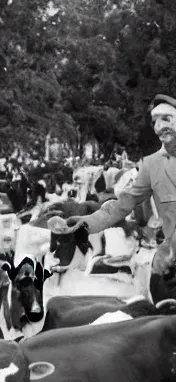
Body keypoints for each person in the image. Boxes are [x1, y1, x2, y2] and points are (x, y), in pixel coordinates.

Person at [46, 94, 176, 264]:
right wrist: (84, 223)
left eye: (166, 119)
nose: (159, 127)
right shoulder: (151, 165)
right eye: (155, 122)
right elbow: (120, 207)